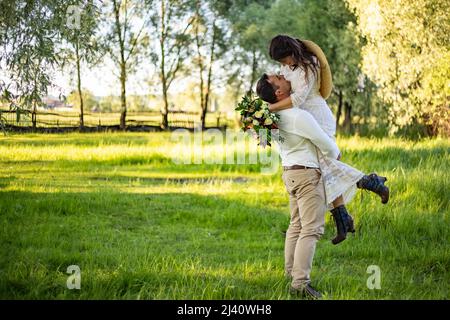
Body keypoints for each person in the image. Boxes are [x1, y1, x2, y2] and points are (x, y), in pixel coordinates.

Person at [265, 35, 389, 244]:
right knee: (324, 171)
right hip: (304, 120)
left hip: (317, 117)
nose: (283, 65)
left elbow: (298, 98)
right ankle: (345, 217)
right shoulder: (287, 70)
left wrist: (269, 109)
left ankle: (367, 187)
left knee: (325, 168)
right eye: (281, 62)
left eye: (284, 59)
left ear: (292, 51)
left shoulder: (310, 65)